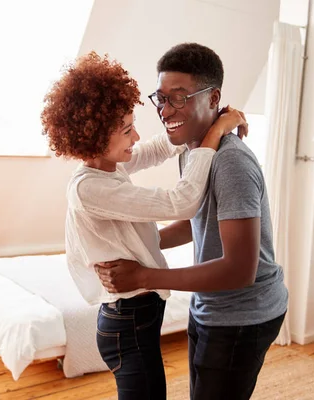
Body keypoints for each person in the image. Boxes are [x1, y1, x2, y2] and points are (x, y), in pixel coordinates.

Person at [40, 51, 247, 400]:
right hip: (127, 324)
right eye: (126, 130)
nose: (135, 136)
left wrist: (205, 122)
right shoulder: (90, 187)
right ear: (93, 137)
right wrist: (214, 137)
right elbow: (180, 201)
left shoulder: (108, 166)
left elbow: (154, 149)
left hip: (135, 320)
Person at [95, 43, 289, 400]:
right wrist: (140, 250)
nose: (166, 110)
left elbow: (239, 270)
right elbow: (195, 220)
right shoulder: (194, 151)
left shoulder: (230, 163)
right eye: (161, 98)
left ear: (213, 98)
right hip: (210, 305)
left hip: (244, 315)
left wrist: (144, 275)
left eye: (179, 98)